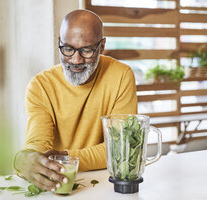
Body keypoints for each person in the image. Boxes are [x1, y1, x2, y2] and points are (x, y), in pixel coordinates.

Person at [14, 9, 137, 192]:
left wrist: (64, 157)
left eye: (86, 50)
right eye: (68, 49)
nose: (76, 59)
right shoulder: (40, 86)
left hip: (104, 183)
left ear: (101, 46)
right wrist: (25, 160)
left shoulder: (121, 76)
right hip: (59, 184)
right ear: (59, 42)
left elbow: (120, 149)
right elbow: (37, 144)